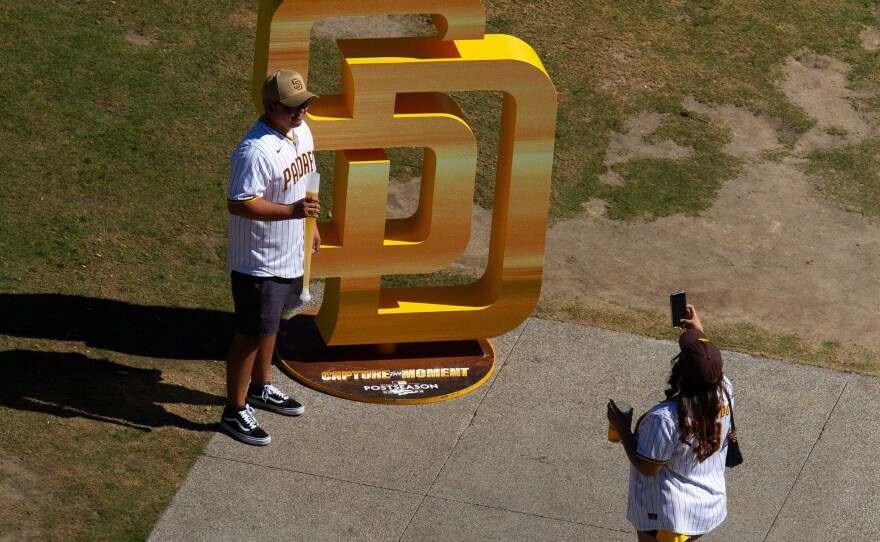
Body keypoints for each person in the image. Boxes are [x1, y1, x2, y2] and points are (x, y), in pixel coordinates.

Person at [220, 69, 321, 446]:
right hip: (258, 261)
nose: (300, 112)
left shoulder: (302, 132)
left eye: (305, 104)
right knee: (250, 334)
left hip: (289, 251)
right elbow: (239, 202)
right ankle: (233, 409)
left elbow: (305, 184)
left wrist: (312, 226)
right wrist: (292, 214)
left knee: (272, 324)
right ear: (269, 106)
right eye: (292, 107)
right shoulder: (255, 150)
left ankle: (261, 387)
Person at [607, 304, 733, 541]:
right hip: (704, 507)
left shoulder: (665, 419)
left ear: (680, 373)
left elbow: (647, 467)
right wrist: (698, 333)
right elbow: (706, 369)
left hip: (669, 515)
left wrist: (623, 428)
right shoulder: (724, 390)